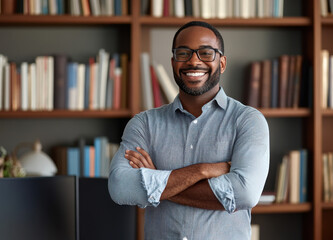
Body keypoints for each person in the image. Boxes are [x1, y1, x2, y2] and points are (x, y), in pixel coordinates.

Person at [108, 21, 269, 240]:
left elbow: (245, 194)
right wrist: (202, 170)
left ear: (222, 63)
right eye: (183, 53)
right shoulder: (144, 124)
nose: (194, 61)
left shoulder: (248, 121)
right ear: (173, 62)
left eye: (206, 53)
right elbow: (121, 188)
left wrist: (157, 181)